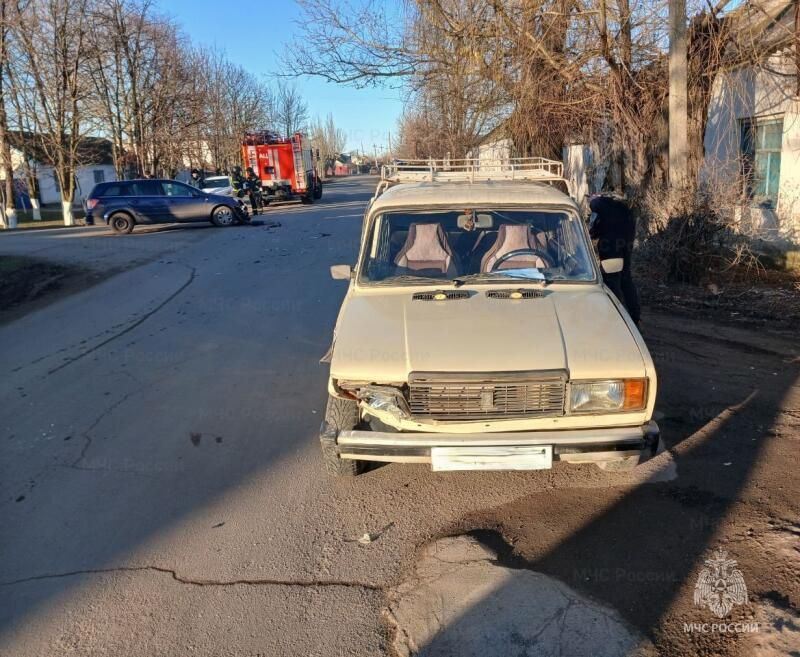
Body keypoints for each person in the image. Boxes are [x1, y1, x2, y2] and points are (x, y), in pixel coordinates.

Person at [589, 195, 641, 325]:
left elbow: (594, 228)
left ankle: (615, 314)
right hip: (626, 246)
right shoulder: (623, 208)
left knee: (611, 281)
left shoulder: (601, 204)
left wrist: (593, 200)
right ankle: (634, 315)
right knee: (626, 279)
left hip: (610, 248)